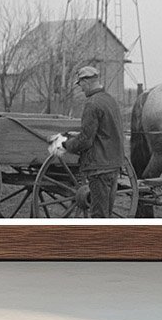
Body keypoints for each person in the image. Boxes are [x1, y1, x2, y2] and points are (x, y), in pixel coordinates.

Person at [53, 66, 125, 218]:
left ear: (86, 81)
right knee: (106, 215)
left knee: (99, 217)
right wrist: (78, 135)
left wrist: (65, 144)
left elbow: (86, 141)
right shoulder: (110, 100)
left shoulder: (92, 104)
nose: (80, 89)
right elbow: (106, 131)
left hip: (99, 168)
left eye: (80, 84)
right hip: (113, 166)